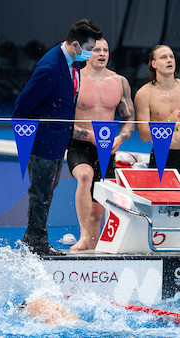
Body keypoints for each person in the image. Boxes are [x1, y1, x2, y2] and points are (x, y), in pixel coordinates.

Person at [12, 19, 102, 256]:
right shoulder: (51, 68)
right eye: (90, 49)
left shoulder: (71, 63)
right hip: (43, 141)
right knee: (41, 192)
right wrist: (36, 135)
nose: (92, 54)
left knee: (47, 190)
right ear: (75, 45)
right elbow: (21, 107)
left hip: (57, 140)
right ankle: (37, 243)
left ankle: (32, 237)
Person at [68, 38, 135, 251]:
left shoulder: (119, 82)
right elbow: (61, 120)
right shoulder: (74, 79)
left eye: (105, 50)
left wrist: (120, 138)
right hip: (79, 145)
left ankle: (91, 246)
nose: (102, 53)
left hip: (107, 147)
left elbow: (130, 119)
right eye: (96, 50)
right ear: (86, 53)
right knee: (85, 176)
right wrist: (87, 135)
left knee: (98, 209)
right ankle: (84, 235)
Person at [135, 45, 180, 172]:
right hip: (162, 155)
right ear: (154, 64)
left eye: (171, 56)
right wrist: (169, 123)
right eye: (164, 57)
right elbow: (144, 135)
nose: (169, 60)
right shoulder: (144, 94)